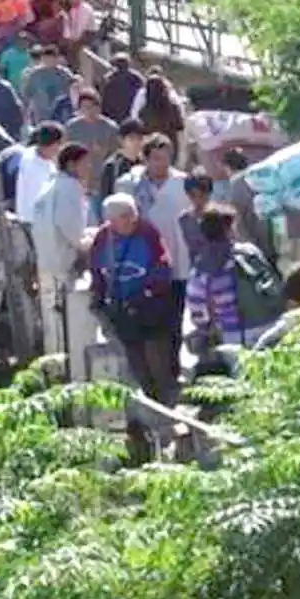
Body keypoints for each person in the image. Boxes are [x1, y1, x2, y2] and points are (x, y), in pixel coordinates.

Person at [89, 193, 177, 406]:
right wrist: (98, 295)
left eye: (131, 215)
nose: (130, 220)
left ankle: (165, 398)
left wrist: (149, 291)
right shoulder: (103, 238)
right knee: (133, 355)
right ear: (110, 220)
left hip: (151, 304)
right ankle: (146, 397)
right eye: (123, 217)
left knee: (157, 353)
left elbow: (163, 263)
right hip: (122, 307)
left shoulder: (147, 232)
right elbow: (96, 269)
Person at [118, 134, 193, 361]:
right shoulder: (132, 186)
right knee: (151, 320)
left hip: (179, 262)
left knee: (176, 318)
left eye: (166, 158)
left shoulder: (183, 183)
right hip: (147, 264)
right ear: (146, 159)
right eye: (157, 158)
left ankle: (173, 363)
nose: (162, 164)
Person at [186, 203, 283, 353]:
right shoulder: (250, 252)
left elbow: (197, 309)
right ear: (229, 229)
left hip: (234, 335)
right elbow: (272, 283)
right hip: (269, 324)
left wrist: (208, 327)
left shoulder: (201, 267)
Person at [31, 143, 94, 358]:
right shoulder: (70, 188)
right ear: (71, 165)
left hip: (46, 259)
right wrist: (88, 243)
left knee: (53, 321)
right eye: (85, 163)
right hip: (65, 262)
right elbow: (72, 230)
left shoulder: (50, 185)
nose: (89, 168)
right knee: (71, 323)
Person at [66, 87, 120, 221]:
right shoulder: (72, 128)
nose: (89, 111)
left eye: (92, 107)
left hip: (101, 180)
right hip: (79, 181)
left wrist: (102, 152)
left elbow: (116, 154)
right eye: (84, 107)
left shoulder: (110, 127)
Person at [13, 121, 65, 221]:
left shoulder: (43, 158)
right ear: (51, 144)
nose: (60, 148)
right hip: (34, 221)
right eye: (59, 144)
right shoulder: (32, 166)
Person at [133, 71, 185, 155]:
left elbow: (139, 126)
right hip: (169, 146)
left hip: (149, 148)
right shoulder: (172, 107)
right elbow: (180, 126)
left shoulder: (143, 111)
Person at [21, 45, 73, 125]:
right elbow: (27, 95)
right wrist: (25, 114)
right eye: (46, 59)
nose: (49, 62)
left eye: (52, 59)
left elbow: (72, 92)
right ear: (42, 59)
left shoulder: (64, 74)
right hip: (41, 115)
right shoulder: (34, 74)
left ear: (57, 59)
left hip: (61, 114)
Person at [98, 118, 145, 204]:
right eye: (132, 139)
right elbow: (105, 198)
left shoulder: (145, 164)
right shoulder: (112, 166)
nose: (136, 142)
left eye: (140, 138)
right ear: (121, 140)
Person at [178, 166, 215, 265]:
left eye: (202, 195)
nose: (198, 200)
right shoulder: (184, 219)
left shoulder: (221, 216)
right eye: (193, 195)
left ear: (209, 193)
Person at [101, 52, 145, 123]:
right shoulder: (109, 78)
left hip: (130, 113)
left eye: (123, 62)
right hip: (113, 114)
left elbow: (142, 94)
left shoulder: (136, 78)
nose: (122, 65)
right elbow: (103, 96)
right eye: (119, 63)